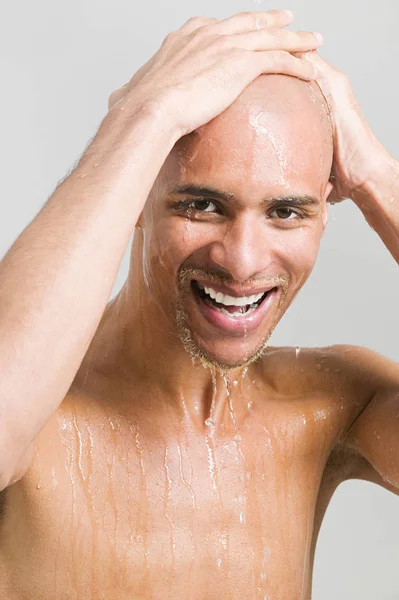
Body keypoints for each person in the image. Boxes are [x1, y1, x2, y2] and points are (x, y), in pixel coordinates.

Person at [0, 9, 398, 599]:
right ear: (133, 196)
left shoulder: (331, 404)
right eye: (202, 206)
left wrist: (374, 175)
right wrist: (142, 121)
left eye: (286, 212)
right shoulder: (36, 411)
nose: (241, 261)